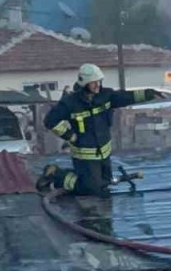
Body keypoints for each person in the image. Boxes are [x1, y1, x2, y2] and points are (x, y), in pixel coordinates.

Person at [43, 64, 158, 196]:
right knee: (92, 189)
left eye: (99, 81)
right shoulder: (70, 103)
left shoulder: (106, 96)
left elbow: (127, 96)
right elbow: (50, 121)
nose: (97, 85)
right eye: (93, 83)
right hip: (84, 154)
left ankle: (80, 177)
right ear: (84, 83)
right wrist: (70, 135)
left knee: (105, 183)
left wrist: (149, 93)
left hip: (104, 152)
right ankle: (56, 175)